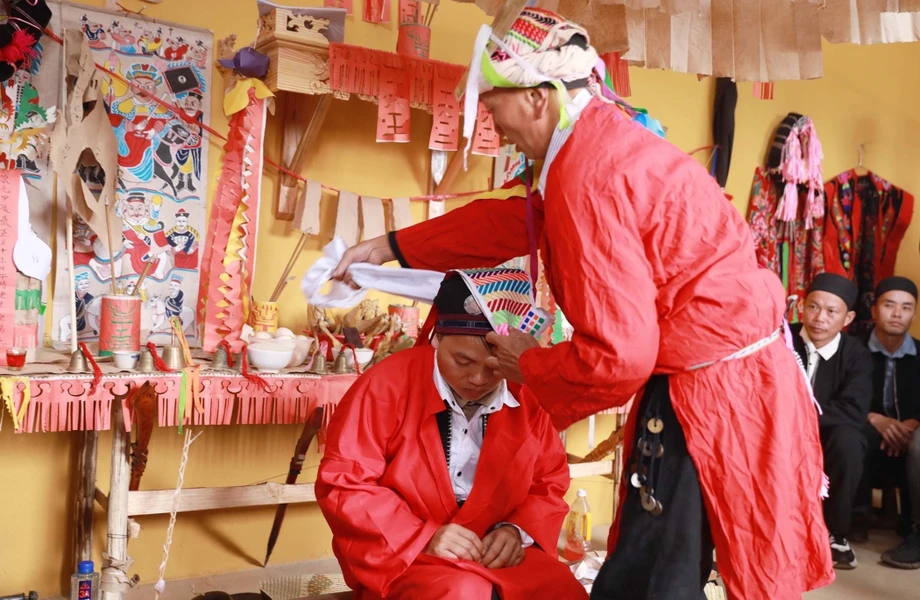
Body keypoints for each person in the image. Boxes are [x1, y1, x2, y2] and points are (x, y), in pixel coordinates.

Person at [330, 8, 833, 600]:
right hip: (732, 375)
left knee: (656, 570)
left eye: (494, 106)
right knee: (659, 562)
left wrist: (532, 367)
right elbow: (511, 223)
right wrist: (390, 246)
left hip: (712, 390)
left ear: (540, 99)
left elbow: (619, 357)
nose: (491, 124)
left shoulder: (586, 174)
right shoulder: (596, 145)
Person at [315, 269, 586, 600]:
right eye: (462, 361)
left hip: (491, 549)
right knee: (463, 592)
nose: (476, 379)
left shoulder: (526, 394)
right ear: (437, 340)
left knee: (562, 589)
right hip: (407, 552)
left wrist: (517, 531)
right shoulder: (384, 386)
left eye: (493, 367)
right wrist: (422, 537)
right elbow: (345, 483)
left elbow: (549, 480)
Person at [790, 273, 873, 569]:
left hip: (827, 433)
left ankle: (835, 533)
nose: (819, 318)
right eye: (813, 307)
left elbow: (852, 410)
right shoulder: (782, 341)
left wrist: (801, 417)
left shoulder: (856, 355)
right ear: (803, 307)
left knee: (849, 442)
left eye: (831, 311)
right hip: (780, 430)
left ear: (848, 317)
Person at [857, 276, 920, 569]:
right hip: (868, 430)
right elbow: (837, 395)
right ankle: (851, 520)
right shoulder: (853, 349)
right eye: (889, 305)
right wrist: (874, 418)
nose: (897, 314)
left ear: (914, 313)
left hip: (912, 435)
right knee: (854, 434)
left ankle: (914, 529)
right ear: (874, 309)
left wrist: (913, 423)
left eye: (906, 307)